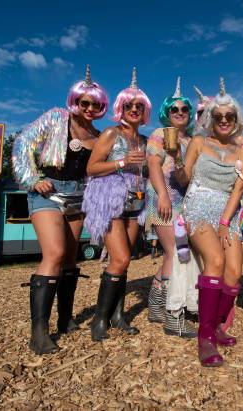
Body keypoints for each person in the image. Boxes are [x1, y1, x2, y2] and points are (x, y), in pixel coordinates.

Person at [12, 65, 108, 354]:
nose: (89, 108)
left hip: (78, 197)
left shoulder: (98, 134)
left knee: (69, 259)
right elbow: (23, 144)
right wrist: (32, 178)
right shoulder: (57, 118)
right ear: (75, 101)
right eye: (84, 102)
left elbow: (98, 169)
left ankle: (65, 319)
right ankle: (39, 332)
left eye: (95, 104)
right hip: (48, 192)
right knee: (53, 254)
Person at [174, 78, 243, 366]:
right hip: (197, 206)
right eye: (217, 116)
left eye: (229, 116)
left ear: (236, 119)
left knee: (234, 272)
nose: (223, 120)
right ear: (210, 118)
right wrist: (178, 164)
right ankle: (205, 337)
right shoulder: (198, 142)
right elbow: (183, 179)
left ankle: (218, 325)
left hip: (226, 211)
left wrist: (224, 222)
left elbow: (239, 190)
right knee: (215, 261)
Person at [83, 68, 150, 341]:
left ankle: (118, 316)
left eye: (139, 106)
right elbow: (92, 167)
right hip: (110, 201)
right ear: (120, 108)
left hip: (136, 203)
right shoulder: (111, 133)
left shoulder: (145, 140)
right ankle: (99, 320)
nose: (134, 109)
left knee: (124, 262)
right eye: (129, 105)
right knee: (120, 258)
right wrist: (123, 162)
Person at [145, 77, 197, 337]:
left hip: (184, 202)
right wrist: (163, 196)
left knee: (174, 254)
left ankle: (155, 305)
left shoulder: (190, 141)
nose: (179, 113)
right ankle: (172, 315)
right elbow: (154, 165)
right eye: (174, 109)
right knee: (176, 254)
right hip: (164, 199)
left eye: (184, 109)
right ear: (167, 112)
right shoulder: (160, 134)